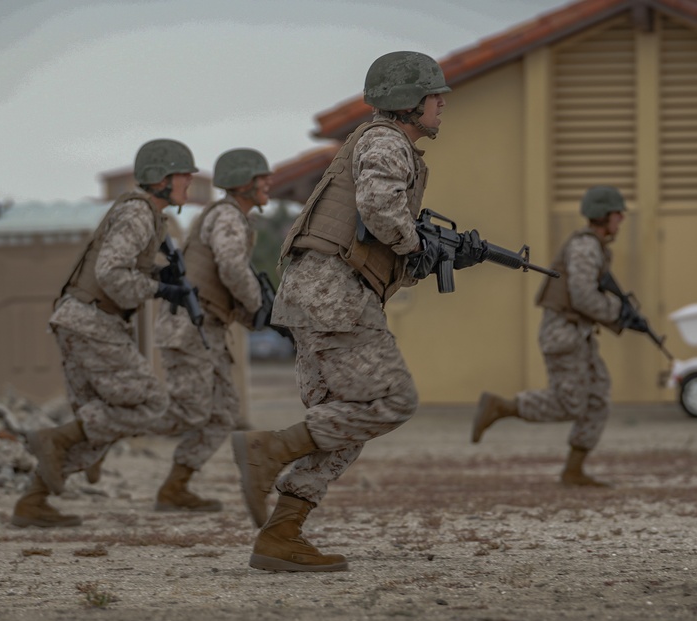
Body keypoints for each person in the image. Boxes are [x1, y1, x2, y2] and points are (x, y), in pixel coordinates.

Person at [230, 51, 480, 572]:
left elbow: (384, 243)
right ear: (408, 102)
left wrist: (441, 256)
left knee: (346, 421)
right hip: (333, 296)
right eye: (435, 97)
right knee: (392, 399)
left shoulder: (384, 145)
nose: (442, 105)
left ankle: (281, 534)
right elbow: (382, 212)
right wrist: (421, 244)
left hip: (324, 295)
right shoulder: (387, 141)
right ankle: (269, 449)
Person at [11, 139, 199, 528]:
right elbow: (111, 273)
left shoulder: (146, 214)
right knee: (148, 402)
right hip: (91, 322)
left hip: (79, 320)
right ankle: (55, 439)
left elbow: (120, 267)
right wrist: (160, 289)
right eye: (184, 176)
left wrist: (157, 275)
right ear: (161, 178)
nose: (189, 185)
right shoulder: (138, 214)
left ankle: (32, 500)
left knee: (97, 425)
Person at [470, 185, 646, 487]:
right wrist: (618, 312)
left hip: (578, 334)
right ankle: (502, 407)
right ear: (604, 215)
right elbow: (582, 296)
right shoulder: (585, 248)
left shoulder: (596, 247)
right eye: (618, 214)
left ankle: (573, 471)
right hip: (564, 334)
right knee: (570, 404)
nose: (622, 220)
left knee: (597, 398)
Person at [150, 148, 273, 513]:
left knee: (222, 412)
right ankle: (95, 430)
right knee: (185, 411)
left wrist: (264, 317)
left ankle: (175, 487)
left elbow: (227, 281)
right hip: (190, 325)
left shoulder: (233, 218)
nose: (268, 183)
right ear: (243, 183)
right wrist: (259, 305)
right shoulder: (228, 216)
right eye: (261, 177)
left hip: (207, 327)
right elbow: (233, 268)